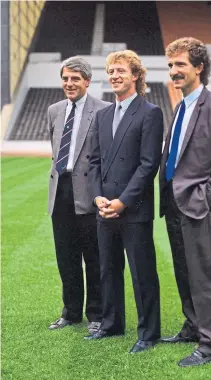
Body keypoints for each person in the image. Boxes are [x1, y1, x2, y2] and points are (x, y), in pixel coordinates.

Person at [159, 37, 211, 367]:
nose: (173, 71)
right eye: (170, 66)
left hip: (199, 206)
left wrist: (203, 197)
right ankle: (193, 326)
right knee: (184, 271)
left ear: (199, 67)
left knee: (206, 275)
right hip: (173, 204)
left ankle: (209, 344)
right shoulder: (180, 107)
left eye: (180, 64)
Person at [86, 50, 163, 354]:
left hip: (134, 209)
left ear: (135, 75)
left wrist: (122, 202)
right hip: (104, 207)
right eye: (111, 71)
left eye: (120, 70)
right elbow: (93, 161)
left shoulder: (150, 112)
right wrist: (98, 197)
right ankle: (111, 323)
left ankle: (149, 333)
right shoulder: (103, 115)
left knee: (142, 271)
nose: (114, 75)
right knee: (108, 269)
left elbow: (148, 165)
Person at [47, 56, 110, 334]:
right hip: (60, 189)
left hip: (89, 191)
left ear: (87, 80)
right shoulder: (54, 110)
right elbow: (54, 146)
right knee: (66, 256)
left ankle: (96, 314)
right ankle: (71, 312)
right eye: (65, 78)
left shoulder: (104, 110)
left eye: (75, 78)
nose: (69, 83)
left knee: (93, 257)